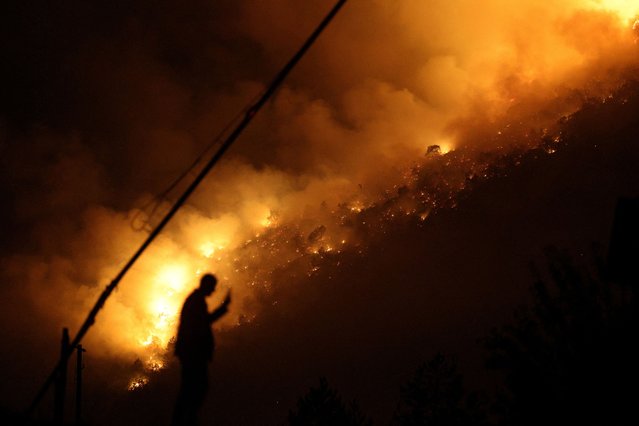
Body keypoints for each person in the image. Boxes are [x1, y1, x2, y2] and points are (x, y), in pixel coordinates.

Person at [171, 273, 231, 426]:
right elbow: (203, 323)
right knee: (197, 387)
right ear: (206, 285)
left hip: (191, 352)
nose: (213, 291)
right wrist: (223, 307)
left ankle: (185, 419)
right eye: (212, 287)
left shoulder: (195, 300)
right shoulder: (196, 301)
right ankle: (186, 420)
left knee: (192, 388)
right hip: (193, 353)